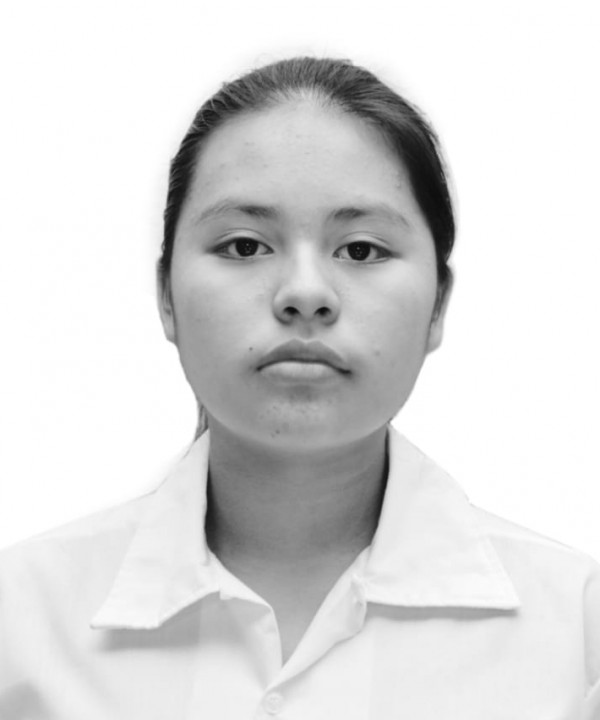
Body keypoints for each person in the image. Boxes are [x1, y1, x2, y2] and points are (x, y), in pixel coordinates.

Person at [0, 55, 598, 720]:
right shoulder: (21, 623)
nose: (305, 293)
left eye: (362, 249)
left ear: (437, 305)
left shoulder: (577, 634)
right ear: (165, 295)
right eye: (245, 246)